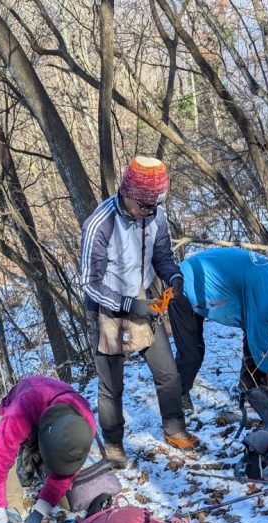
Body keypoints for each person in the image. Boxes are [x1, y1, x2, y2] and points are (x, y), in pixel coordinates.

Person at [80, 155, 200, 469]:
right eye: (144, 205)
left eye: (155, 205)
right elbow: (90, 284)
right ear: (127, 193)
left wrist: (174, 276)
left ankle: (174, 427)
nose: (149, 211)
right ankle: (114, 444)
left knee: (168, 372)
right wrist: (129, 305)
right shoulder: (100, 224)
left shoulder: (155, 215)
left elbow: (163, 256)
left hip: (142, 298)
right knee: (112, 386)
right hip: (107, 307)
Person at [169, 247, 268, 404]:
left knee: (253, 331)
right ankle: (176, 399)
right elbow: (259, 335)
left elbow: (255, 328)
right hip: (184, 285)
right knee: (192, 353)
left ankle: (249, 387)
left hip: (199, 276)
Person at [0, 375, 95, 523]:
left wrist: (40, 511)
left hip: (50, 421)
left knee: (66, 500)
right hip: (11, 413)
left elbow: (67, 472)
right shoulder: (22, 410)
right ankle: (12, 509)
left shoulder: (84, 422)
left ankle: (31, 462)